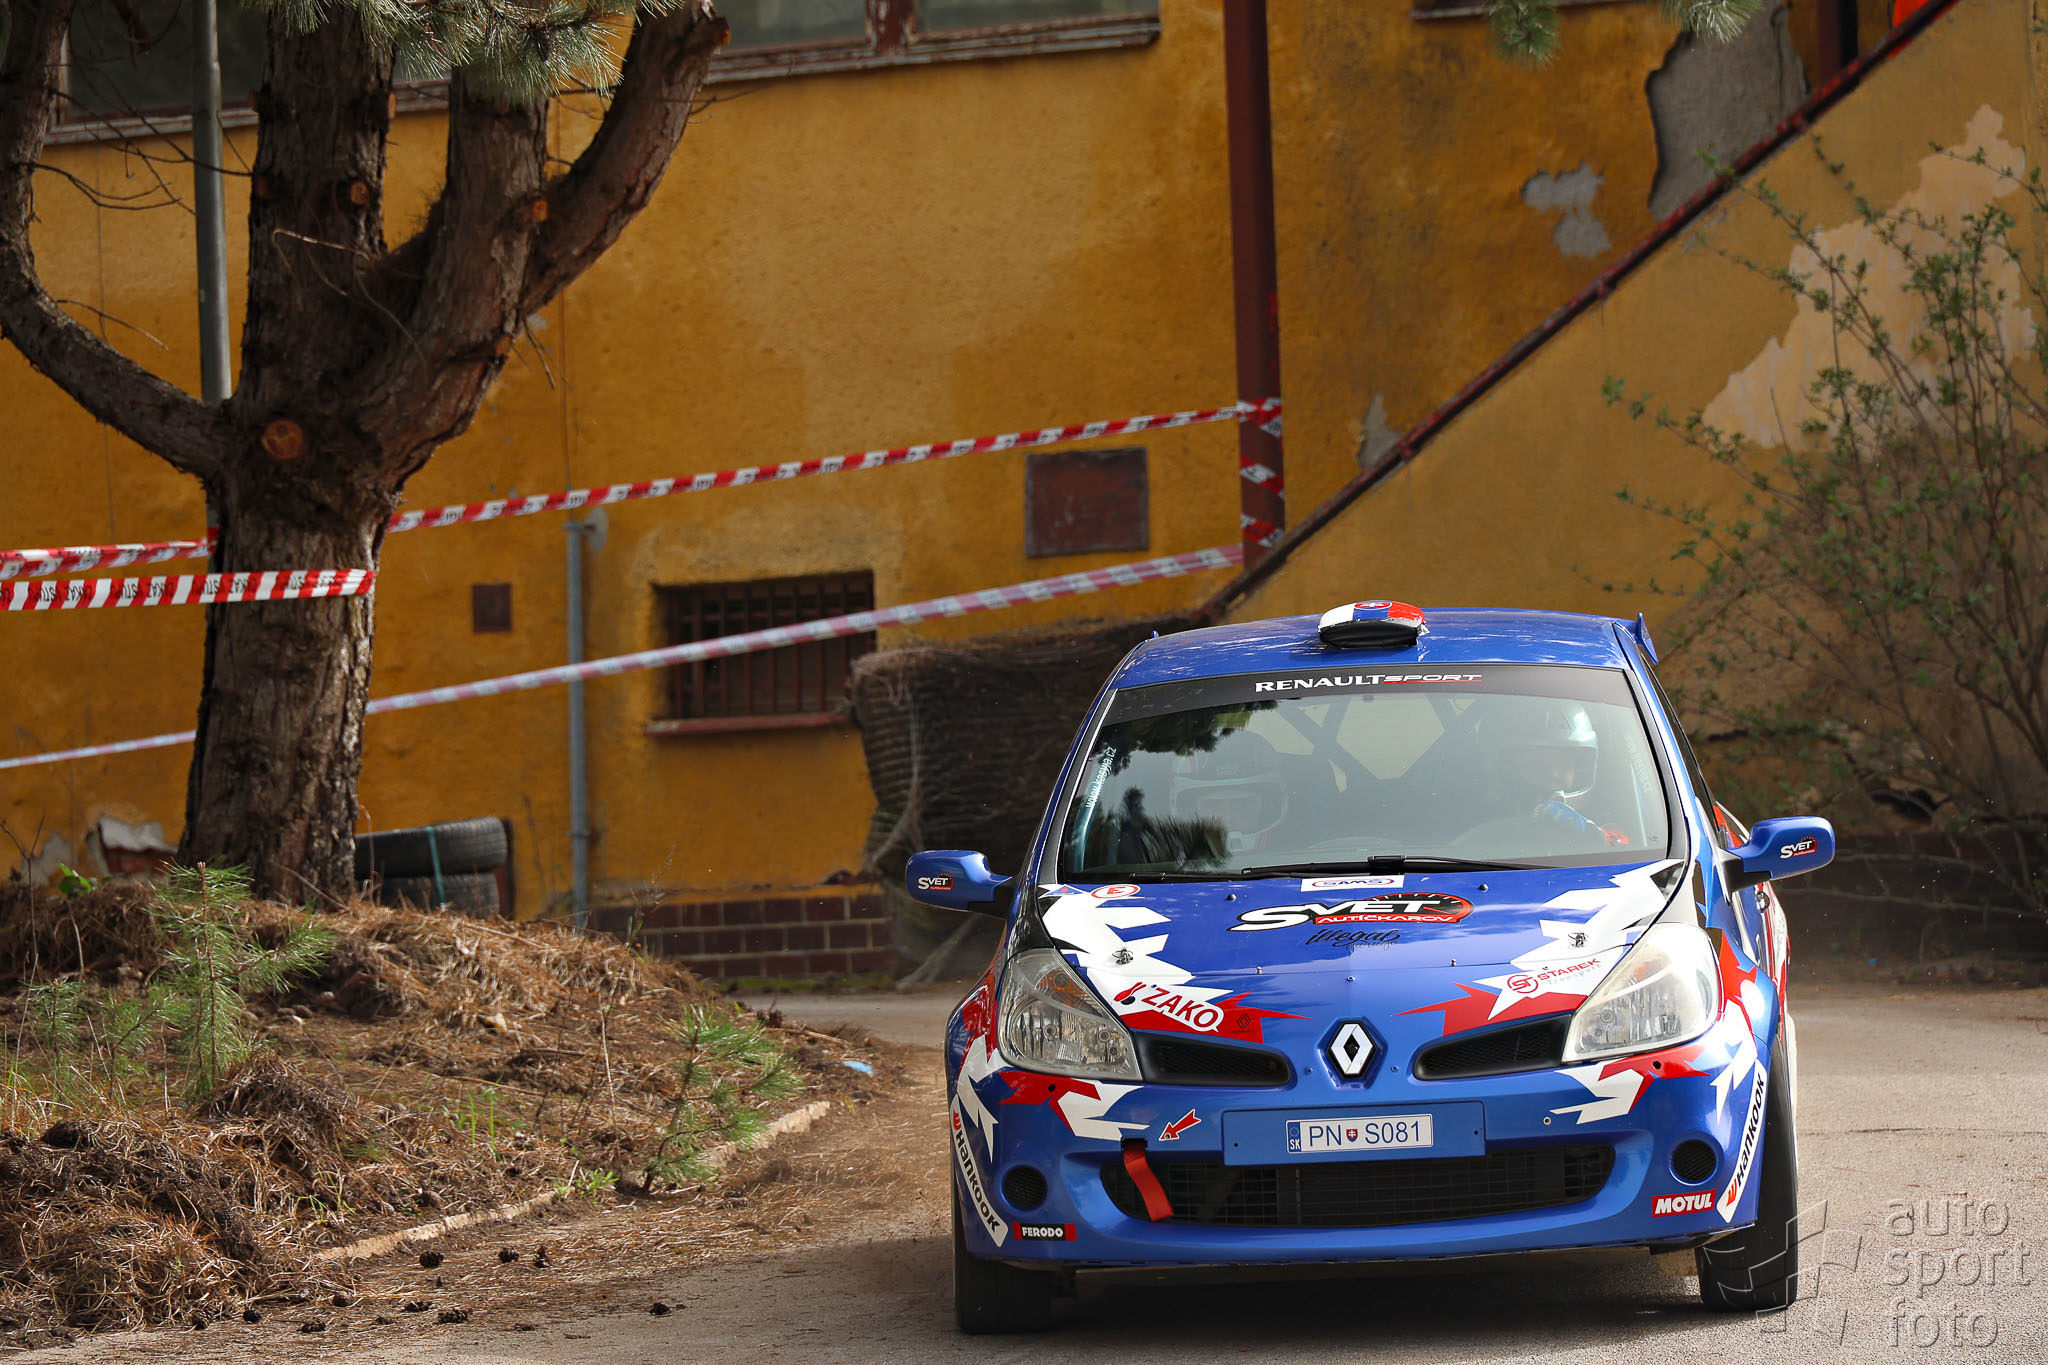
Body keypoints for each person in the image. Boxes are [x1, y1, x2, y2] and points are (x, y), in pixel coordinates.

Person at [1488, 697, 1631, 847]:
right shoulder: (1491, 809)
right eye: (1538, 766)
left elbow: (1624, 844)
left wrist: (1593, 833)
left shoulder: (1603, 809)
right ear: (1512, 770)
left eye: (1563, 766)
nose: (1553, 774)